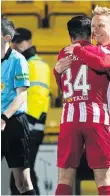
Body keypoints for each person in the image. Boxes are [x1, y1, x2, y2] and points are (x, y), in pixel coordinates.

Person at [53, 15, 110, 195]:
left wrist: (56, 73)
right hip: (97, 119)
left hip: (69, 119)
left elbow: (65, 87)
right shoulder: (100, 52)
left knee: (65, 178)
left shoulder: (62, 53)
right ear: (91, 33)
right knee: (105, 179)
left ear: (69, 35)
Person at [10, 28, 51, 195]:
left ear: (29, 42)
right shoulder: (20, 64)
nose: (16, 45)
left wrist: (27, 124)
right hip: (23, 126)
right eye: (14, 42)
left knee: (22, 174)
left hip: (30, 127)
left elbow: (39, 97)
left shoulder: (36, 64)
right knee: (22, 173)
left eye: (19, 42)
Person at [1, 17, 36, 195]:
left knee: (21, 182)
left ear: (7, 38)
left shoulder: (18, 60)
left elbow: (21, 95)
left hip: (13, 123)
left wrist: (4, 117)